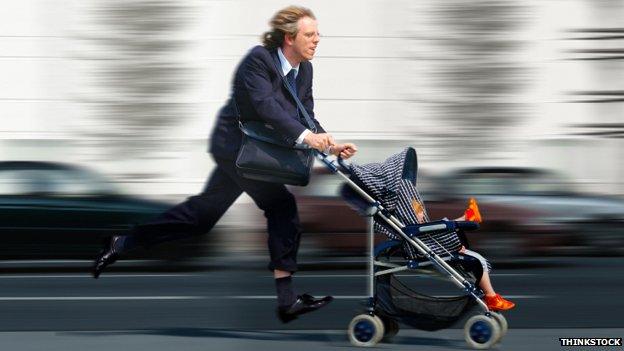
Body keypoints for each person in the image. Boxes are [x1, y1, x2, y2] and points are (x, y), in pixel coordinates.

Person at [92, 6, 358, 323]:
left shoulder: (305, 71)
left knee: (201, 217)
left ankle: (122, 243)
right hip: (235, 147)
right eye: (310, 34)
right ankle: (286, 301)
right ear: (289, 37)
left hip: (256, 152)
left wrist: (329, 143)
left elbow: (305, 115)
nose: (317, 40)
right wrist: (306, 137)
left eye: (318, 34)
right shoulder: (258, 60)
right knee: (282, 207)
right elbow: (266, 107)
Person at [414, 198, 515, 311]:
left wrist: (454, 245)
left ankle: (491, 296)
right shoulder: (416, 230)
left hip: (437, 249)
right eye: (419, 212)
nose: (423, 214)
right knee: (476, 260)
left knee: (476, 257)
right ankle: (491, 297)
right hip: (435, 253)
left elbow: (434, 238)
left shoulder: (418, 231)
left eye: (421, 211)